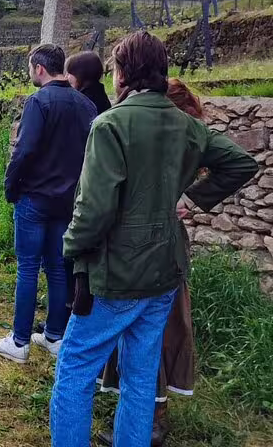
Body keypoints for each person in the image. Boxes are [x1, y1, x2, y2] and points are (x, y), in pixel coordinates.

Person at [50, 32, 258, 447]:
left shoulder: (110, 124)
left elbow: (93, 210)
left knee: (75, 369)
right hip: (165, 272)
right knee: (141, 377)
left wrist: (70, 249)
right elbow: (240, 162)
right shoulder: (185, 124)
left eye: (114, 69)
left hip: (114, 274)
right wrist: (192, 198)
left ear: (123, 72)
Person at [96, 78, 203, 447]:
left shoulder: (178, 133)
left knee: (156, 336)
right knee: (140, 336)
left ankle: (152, 420)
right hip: (141, 250)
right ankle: (138, 418)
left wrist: (188, 199)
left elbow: (231, 163)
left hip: (162, 255)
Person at [0, 44, 97, 362]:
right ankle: (53, 335)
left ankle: (19, 341)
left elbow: (24, 150)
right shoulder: (85, 104)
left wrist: (11, 188)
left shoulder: (39, 101)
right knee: (58, 270)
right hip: (67, 200)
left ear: (38, 69)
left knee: (28, 268)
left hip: (35, 198)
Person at [65, 50, 111, 115]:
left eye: (69, 73)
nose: (66, 77)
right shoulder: (102, 97)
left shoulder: (81, 103)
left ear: (81, 74)